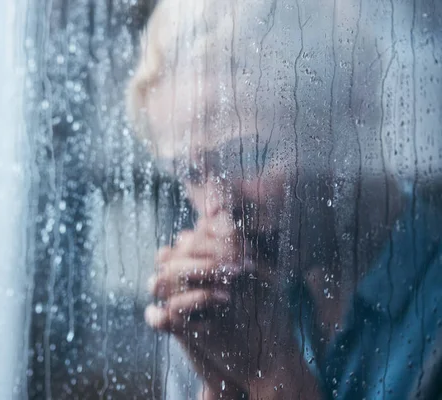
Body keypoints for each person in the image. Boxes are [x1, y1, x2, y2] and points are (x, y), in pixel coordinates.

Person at [126, 0, 442, 399]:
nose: (218, 210)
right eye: (190, 172)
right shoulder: (235, 306)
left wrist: (269, 371)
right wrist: (220, 381)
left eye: (249, 156)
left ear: (349, 113)